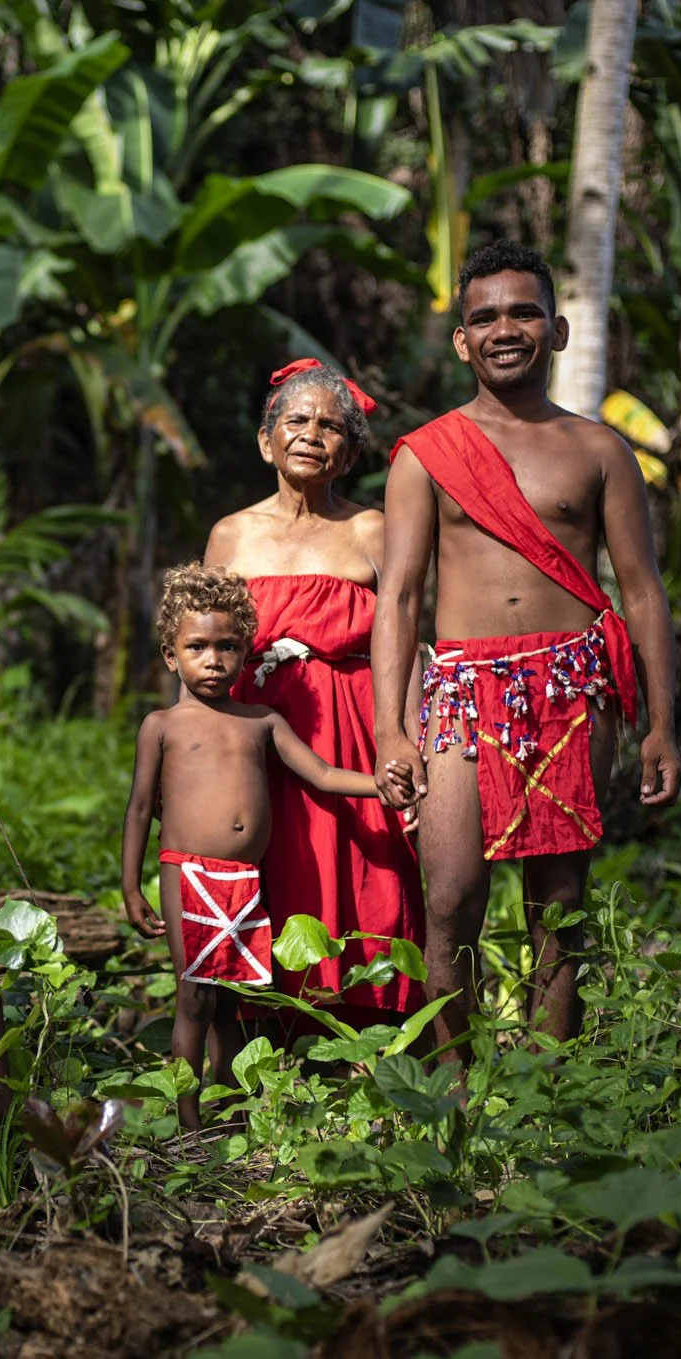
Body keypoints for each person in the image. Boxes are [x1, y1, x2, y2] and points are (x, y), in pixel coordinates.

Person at [372, 238, 681, 1060]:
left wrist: (661, 724)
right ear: (461, 340)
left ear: (558, 329)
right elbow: (399, 597)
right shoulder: (425, 454)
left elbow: (643, 590)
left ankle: (551, 1094)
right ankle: (453, 1091)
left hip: (572, 686)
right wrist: (390, 730)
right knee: (452, 897)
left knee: (559, 902)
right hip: (462, 691)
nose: (504, 328)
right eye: (484, 316)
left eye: (523, 311)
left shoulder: (600, 450)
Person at [121, 564, 407, 1131]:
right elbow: (137, 808)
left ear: (247, 652)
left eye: (227, 646)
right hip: (188, 872)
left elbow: (323, 774)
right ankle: (187, 1121)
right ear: (170, 655)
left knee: (233, 1001)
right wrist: (130, 885)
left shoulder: (262, 721)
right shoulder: (163, 725)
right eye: (196, 646)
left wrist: (379, 785)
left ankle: (229, 1108)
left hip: (245, 878)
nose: (213, 659)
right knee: (195, 998)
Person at [203, 360, 426, 1029]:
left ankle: (374, 1049)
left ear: (350, 452)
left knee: (369, 881)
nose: (311, 434)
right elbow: (198, 646)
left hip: (354, 735)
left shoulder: (372, 529)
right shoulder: (230, 534)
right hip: (255, 743)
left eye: (330, 425)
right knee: (267, 874)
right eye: (296, 420)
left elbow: (409, 641)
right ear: (266, 441)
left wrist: (412, 745)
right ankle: (264, 1048)